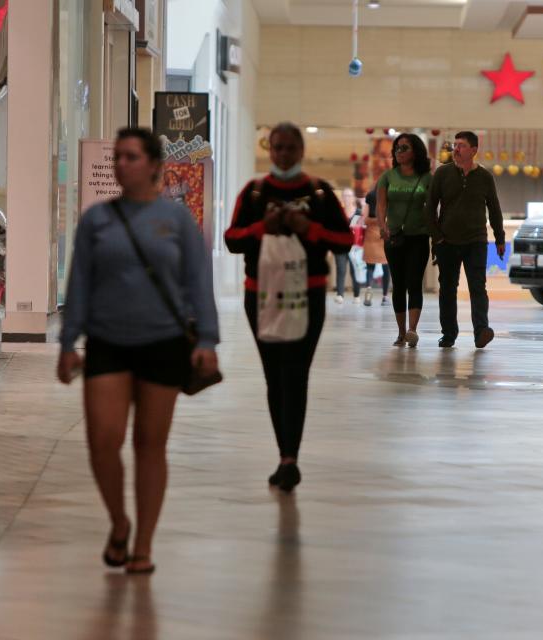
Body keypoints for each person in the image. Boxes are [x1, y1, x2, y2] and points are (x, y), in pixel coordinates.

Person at [57, 127, 220, 575]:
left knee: (151, 445)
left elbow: (197, 283)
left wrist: (207, 340)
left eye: (131, 157)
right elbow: (81, 282)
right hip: (107, 342)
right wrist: (68, 342)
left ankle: (144, 544)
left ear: (153, 165)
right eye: (117, 157)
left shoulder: (177, 220)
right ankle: (119, 521)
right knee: (102, 441)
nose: (121, 164)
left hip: (163, 342)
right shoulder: (97, 220)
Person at [226, 122, 353, 492]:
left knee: (296, 374)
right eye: (277, 148)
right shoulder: (254, 193)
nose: (283, 154)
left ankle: (289, 459)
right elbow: (232, 239)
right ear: (270, 150)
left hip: (308, 296)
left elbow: (345, 241)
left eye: (290, 148)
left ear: (301, 151)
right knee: (273, 374)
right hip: (262, 296)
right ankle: (285, 454)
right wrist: (261, 228)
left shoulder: (318, 193)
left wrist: (308, 228)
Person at [426, 131, 505, 349]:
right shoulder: (442, 174)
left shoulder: (485, 177)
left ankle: (481, 331)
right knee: (447, 289)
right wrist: (437, 237)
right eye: (455, 145)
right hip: (447, 241)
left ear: (473, 150)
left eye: (461, 145)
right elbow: (430, 207)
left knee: (478, 287)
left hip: (476, 240)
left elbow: (495, 209)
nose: (456, 149)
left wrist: (499, 237)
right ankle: (449, 334)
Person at [377, 133, 433, 347]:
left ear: (416, 152)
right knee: (398, 284)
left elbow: (433, 207)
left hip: (419, 236)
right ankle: (401, 332)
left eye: (404, 148)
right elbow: (381, 205)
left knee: (414, 282)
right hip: (394, 238)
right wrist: (383, 226)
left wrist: (435, 232)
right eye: (397, 148)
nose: (399, 152)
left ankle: (412, 330)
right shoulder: (388, 177)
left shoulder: (427, 178)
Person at [333, 188, 362, 304]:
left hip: (355, 247)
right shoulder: (337, 212)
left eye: (349, 196)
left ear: (353, 198)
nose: (347, 198)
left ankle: (356, 295)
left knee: (355, 270)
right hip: (340, 246)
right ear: (342, 198)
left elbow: (361, 230)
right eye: (345, 196)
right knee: (341, 270)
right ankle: (340, 294)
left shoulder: (359, 212)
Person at [362, 188, 390, 306]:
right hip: (384, 234)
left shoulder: (370, 195)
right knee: (386, 267)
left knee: (369, 266)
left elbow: (365, 219)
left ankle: (368, 293)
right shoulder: (389, 197)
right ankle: (384, 297)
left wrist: (373, 221)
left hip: (370, 236)